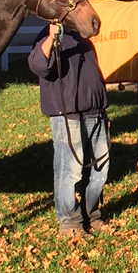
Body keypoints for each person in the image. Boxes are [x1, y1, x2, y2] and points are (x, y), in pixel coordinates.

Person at [28, 23, 110, 238]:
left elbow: (95, 76)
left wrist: (103, 110)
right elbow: (38, 66)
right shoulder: (47, 35)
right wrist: (50, 38)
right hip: (68, 113)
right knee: (70, 170)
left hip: (96, 112)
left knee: (101, 168)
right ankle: (69, 223)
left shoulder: (82, 38)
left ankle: (91, 215)